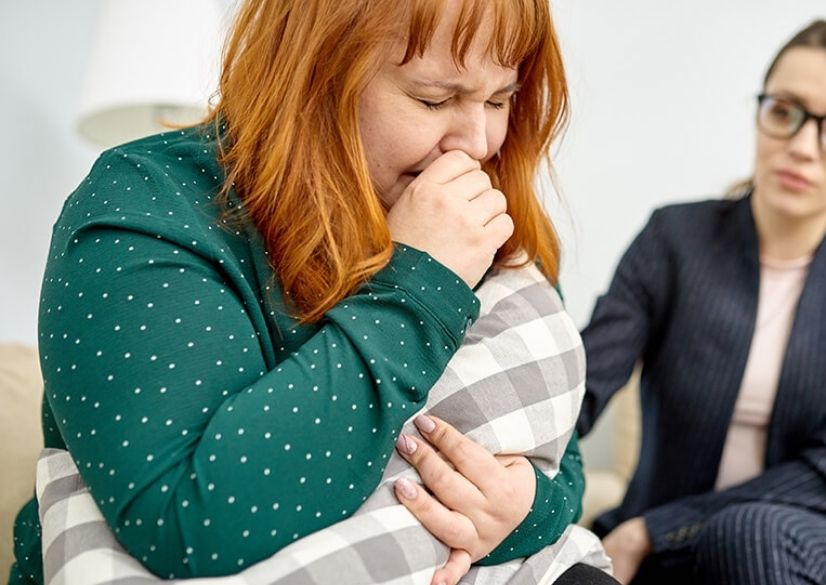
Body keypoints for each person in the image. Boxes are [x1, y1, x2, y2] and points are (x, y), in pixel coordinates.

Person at [9, 1, 615, 584]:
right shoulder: (146, 206)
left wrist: (525, 510)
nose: (480, 143)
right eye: (434, 98)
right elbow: (192, 522)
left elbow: (558, 457)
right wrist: (422, 278)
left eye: (500, 98)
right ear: (313, 72)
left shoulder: (484, 214)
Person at [576, 20, 826, 585]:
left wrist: (652, 529)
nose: (801, 146)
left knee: (751, 531)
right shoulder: (674, 239)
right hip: (670, 551)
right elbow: (580, 390)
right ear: (759, 110)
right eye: (784, 110)